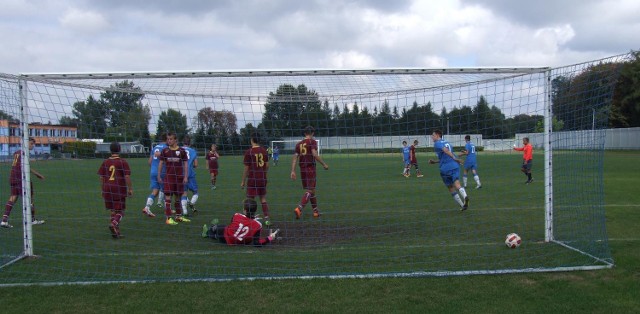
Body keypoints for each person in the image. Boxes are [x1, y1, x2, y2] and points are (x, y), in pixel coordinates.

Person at [2, 138, 46, 228]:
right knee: (29, 199)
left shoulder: (17, 152)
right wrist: (38, 175)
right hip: (21, 178)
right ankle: (32, 220)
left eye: (33, 144)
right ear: (26, 143)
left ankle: (4, 221)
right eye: (31, 143)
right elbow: (25, 168)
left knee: (13, 197)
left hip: (13, 177)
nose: (32, 145)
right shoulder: (24, 153)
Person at [201, 199, 279, 246]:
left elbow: (232, 225)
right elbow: (257, 243)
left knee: (218, 228)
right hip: (242, 242)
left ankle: (207, 232)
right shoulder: (258, 225)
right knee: (225, 229)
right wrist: (270, 238)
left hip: (226, 238)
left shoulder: (237, 215)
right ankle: (214, 234)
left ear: (244, 210)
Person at [291, 126, 329, 219]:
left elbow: (295, 158)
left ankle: (315, 211)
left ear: (304, 133)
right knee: (310, 190)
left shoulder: (299, 144)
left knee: (312, 190)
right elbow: (314, 154)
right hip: (310, 168)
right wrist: (324, 164)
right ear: (312, 133)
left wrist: (293, 171)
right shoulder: (312, 142)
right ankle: (299, 208)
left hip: (302, 169)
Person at [97, 142, 132, 238]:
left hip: (107, 188)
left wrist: (102, 189)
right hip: (118, 188)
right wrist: (130, 189)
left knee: (113, 211)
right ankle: (113, 224)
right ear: (119, 149)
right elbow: (127, 176)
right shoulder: (122, 161)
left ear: (110, 150)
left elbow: (101, 177)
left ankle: (116, 232)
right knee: (120, 211)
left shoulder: (105, 162)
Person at [428, 130, 469, 211]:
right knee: (457, 184)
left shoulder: (437, 143)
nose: (431, 137)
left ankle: (462, 205)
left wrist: (455, 158)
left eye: (433, 135)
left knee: (450, 187)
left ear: (437, 135)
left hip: (445, 169)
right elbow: (447, 156)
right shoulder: (447, 143)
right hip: (455, 166)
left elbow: (446, 151)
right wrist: (435, 161)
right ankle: (465, 196)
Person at [157, 132, 190, 225]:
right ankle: (168, 218)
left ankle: (178, 216)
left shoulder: (182, 151)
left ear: (176, 140)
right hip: (169, 178)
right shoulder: (165, 151)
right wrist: (159, 175)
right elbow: (160, 163)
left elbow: (186, 164)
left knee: (178, 198)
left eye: (171, 139)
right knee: (168, 197)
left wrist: (186, 176)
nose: (169, 141)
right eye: (168, 139)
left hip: (179, 177)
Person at [241, 133, 271, 223]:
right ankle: (267, 219)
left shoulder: (249, 152)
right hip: (262, 178)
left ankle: (250, 219)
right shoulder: (264, 151)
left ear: (252, 140)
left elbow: (246, 168)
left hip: (252, 179)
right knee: (263, 198)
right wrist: (263, 173)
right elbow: (267, 165)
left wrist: (243, 181)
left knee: (250, 199)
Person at [141, 134, 167, 218]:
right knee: (166, 190)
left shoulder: (155, 148)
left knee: (155, 191)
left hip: (153, 171)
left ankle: (147, 207)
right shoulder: (166, 148)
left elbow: (149, 162)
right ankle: (168, 209)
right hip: (161, 171)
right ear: (167, 140)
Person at [181, 135, 199, 216]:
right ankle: (191, 203)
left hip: (180, 174)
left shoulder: (179, 149)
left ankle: (184, 211)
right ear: (190, 143)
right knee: (195, 192)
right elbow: (196, 164)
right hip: (190, 174)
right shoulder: (192, 151)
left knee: (184, 193)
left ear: (183, 142)